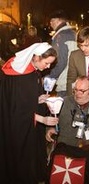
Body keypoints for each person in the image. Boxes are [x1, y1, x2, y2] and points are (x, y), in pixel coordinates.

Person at [0, 42, 59, 183]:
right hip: (17, 130)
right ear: (37, 57)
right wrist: (42, 120)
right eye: (47, 63)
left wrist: (38, 99)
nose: (48, 67)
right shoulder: (22, 76)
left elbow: (23, 101)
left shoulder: (28, 69)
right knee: (21, 163)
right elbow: (18, 111)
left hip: (20, 124)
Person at [48, 9, 77, 97]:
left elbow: (61, 61)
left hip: (64, 80)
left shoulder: (60, 37)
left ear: (59, 21)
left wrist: (51, 76)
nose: (50, 23)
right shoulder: (73, 34)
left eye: (52, 20)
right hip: (75, 78)